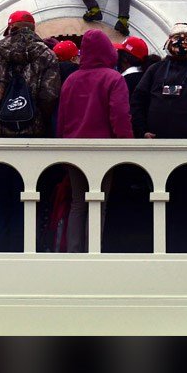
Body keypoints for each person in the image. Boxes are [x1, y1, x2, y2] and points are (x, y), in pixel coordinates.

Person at [55, 29, 133, 250]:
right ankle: (93, 252)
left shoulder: (71, 80)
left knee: (78, 203)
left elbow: (62, 117)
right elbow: (119, 116)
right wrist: (128, 146)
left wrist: (61, 148)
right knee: (99, 202)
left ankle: (73, 252)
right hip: (103, 151)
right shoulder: (113, 78)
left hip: (73, 149)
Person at [0, 11, 60, 137]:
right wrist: (38, 116)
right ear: (33, 28)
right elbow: (49, 94)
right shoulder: (47, 54)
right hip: (35, 128)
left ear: (11, 28)